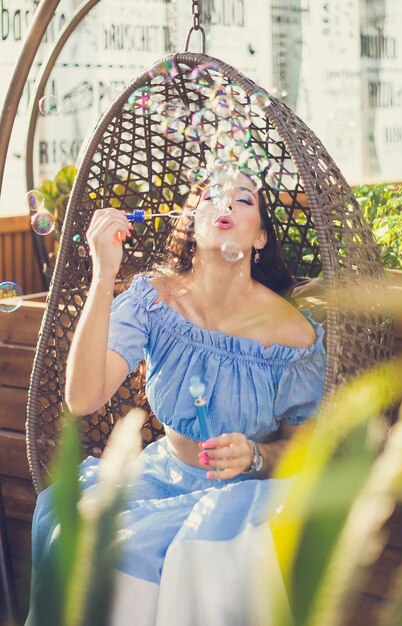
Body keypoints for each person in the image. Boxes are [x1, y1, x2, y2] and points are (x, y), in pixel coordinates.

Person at [27, 171, 326, 625]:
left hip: (242, 498)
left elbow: (306, 453)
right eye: (211, 196)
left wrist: (257, 456)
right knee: (73, 530)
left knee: (130, 556)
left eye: (243, 200)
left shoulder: (293, 335)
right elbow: (83, 397)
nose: (224, 205)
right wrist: (104, 272)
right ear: (192, 220)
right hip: (159, 477)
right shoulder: (154, 300)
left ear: (261, 236)